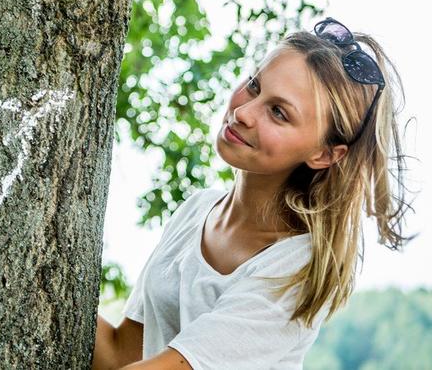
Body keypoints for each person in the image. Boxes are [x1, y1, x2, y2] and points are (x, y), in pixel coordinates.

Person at [93, 18, 412, 369]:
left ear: (324, 154)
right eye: (254, 86)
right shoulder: (197, 210)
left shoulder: (297, 267)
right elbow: (121, 353)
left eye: (278, 112)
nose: (242, 112)